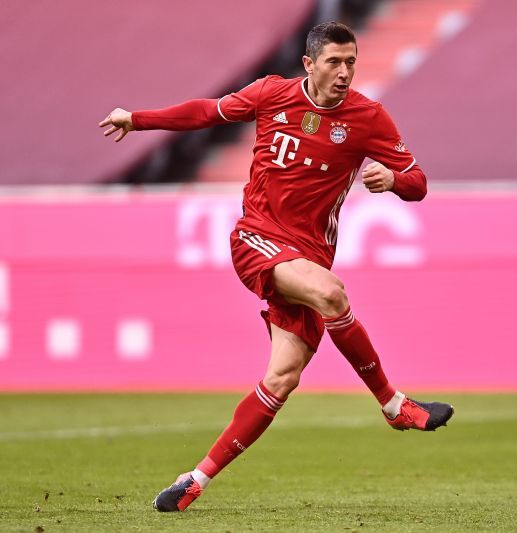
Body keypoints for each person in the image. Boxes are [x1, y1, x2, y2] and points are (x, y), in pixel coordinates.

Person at [99, 21, 454, 513]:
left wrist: (392, 178)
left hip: (308, 257)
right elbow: (207, 112)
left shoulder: (368, 118)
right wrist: (137, 119)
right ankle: (394, 405)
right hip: (257, 238)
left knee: (282, 379)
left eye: (351, 61)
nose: (345, 71)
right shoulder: (272, 93)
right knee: (333, 295)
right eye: (334, 61)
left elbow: (418, 183)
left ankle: (195, 479)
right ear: (309, 64)